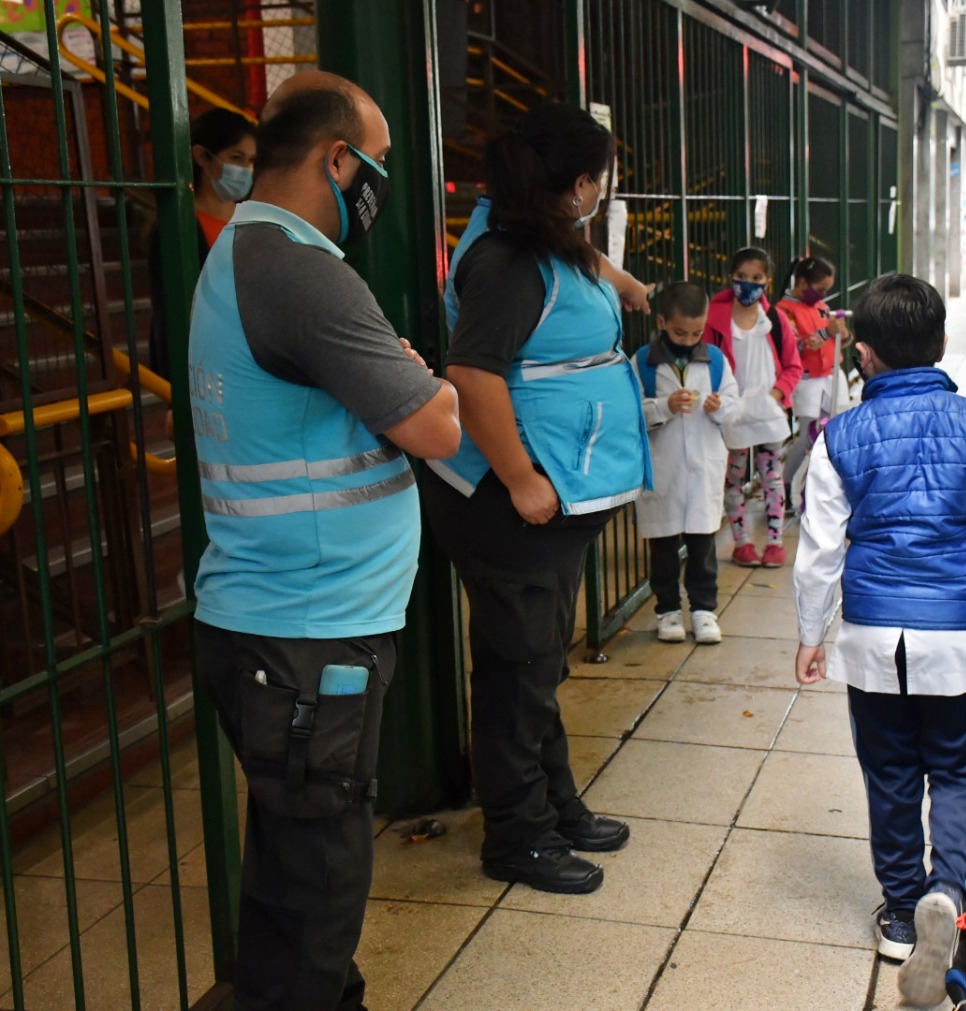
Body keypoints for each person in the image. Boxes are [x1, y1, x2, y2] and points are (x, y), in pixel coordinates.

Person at [188, 72, 460, 1011]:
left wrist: (413, 390)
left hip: (282, 622)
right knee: (321, 878)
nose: (378, 184)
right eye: (374, 162)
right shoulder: (298, 266)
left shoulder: (245, 249)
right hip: (305, 631)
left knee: (294, 858)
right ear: (336, 159)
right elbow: (436, 424)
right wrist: (424, 393)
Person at [792, 274, 966, 1008]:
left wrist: (811, 634)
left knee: (890, 774)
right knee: (959, 768)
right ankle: (947, 890)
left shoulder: (837, 434)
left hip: (874, 635)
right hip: (954, 637)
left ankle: (903, 913)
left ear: (865, 354)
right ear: (939, 343)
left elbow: (819, 550)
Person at [422, 102, 653, 896]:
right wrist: (522, 478)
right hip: (505, 499)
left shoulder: (540, 231)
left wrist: (618, 279)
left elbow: (578, 257)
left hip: (549, 495)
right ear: (582, 183)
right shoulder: (510, 261)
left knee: (536, 663)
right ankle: (516, 835)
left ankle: (555, 804)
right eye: (602, 181)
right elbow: (475, 376)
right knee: (517, 671)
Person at [632, 282, 741, 645]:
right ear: (662, 321)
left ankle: (704, 610)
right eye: (680, 332)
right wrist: (665, 406)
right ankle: (667, 611)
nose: (688, 339)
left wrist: (719, 407)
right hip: (664, 470)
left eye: (696, 332)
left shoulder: (715, 360)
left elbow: (734, 405)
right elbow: (631, 413)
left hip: (703, 467)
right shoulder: (643, 362)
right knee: (662, 548)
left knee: (702, 546)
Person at [704, 246, 802, 567]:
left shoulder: (775, 320)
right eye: (741, 277)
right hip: (731, 411)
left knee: (771, 476)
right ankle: (741, 542)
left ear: (768, 281)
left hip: (767, 411)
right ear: (730, 277)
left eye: (756, 278)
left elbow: (793, 366)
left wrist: (776, 395)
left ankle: (774, 542)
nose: (748, 284)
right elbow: (705, 361)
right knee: (733, 478)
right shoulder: (715, 320)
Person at [148, 107, 257, 378]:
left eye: (251, 160)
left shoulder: (256, 220)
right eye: (236, 157)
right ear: (201, 156)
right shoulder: (176, 229)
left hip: (253, 367)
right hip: (207, 370)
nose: (246, 169)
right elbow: (171, 317)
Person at [776, 254, 850, 507]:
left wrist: (842, 333)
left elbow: (835, 339)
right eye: (820, 289)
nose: (823, 294)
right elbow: (794, 347)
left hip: (831, 375)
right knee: (808, 435)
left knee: (834, 433)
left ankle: (817, 487)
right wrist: (825, 332)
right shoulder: (784, 312)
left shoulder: (821, 306)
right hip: (807, 380)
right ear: (803, 282)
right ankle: (785, 483)